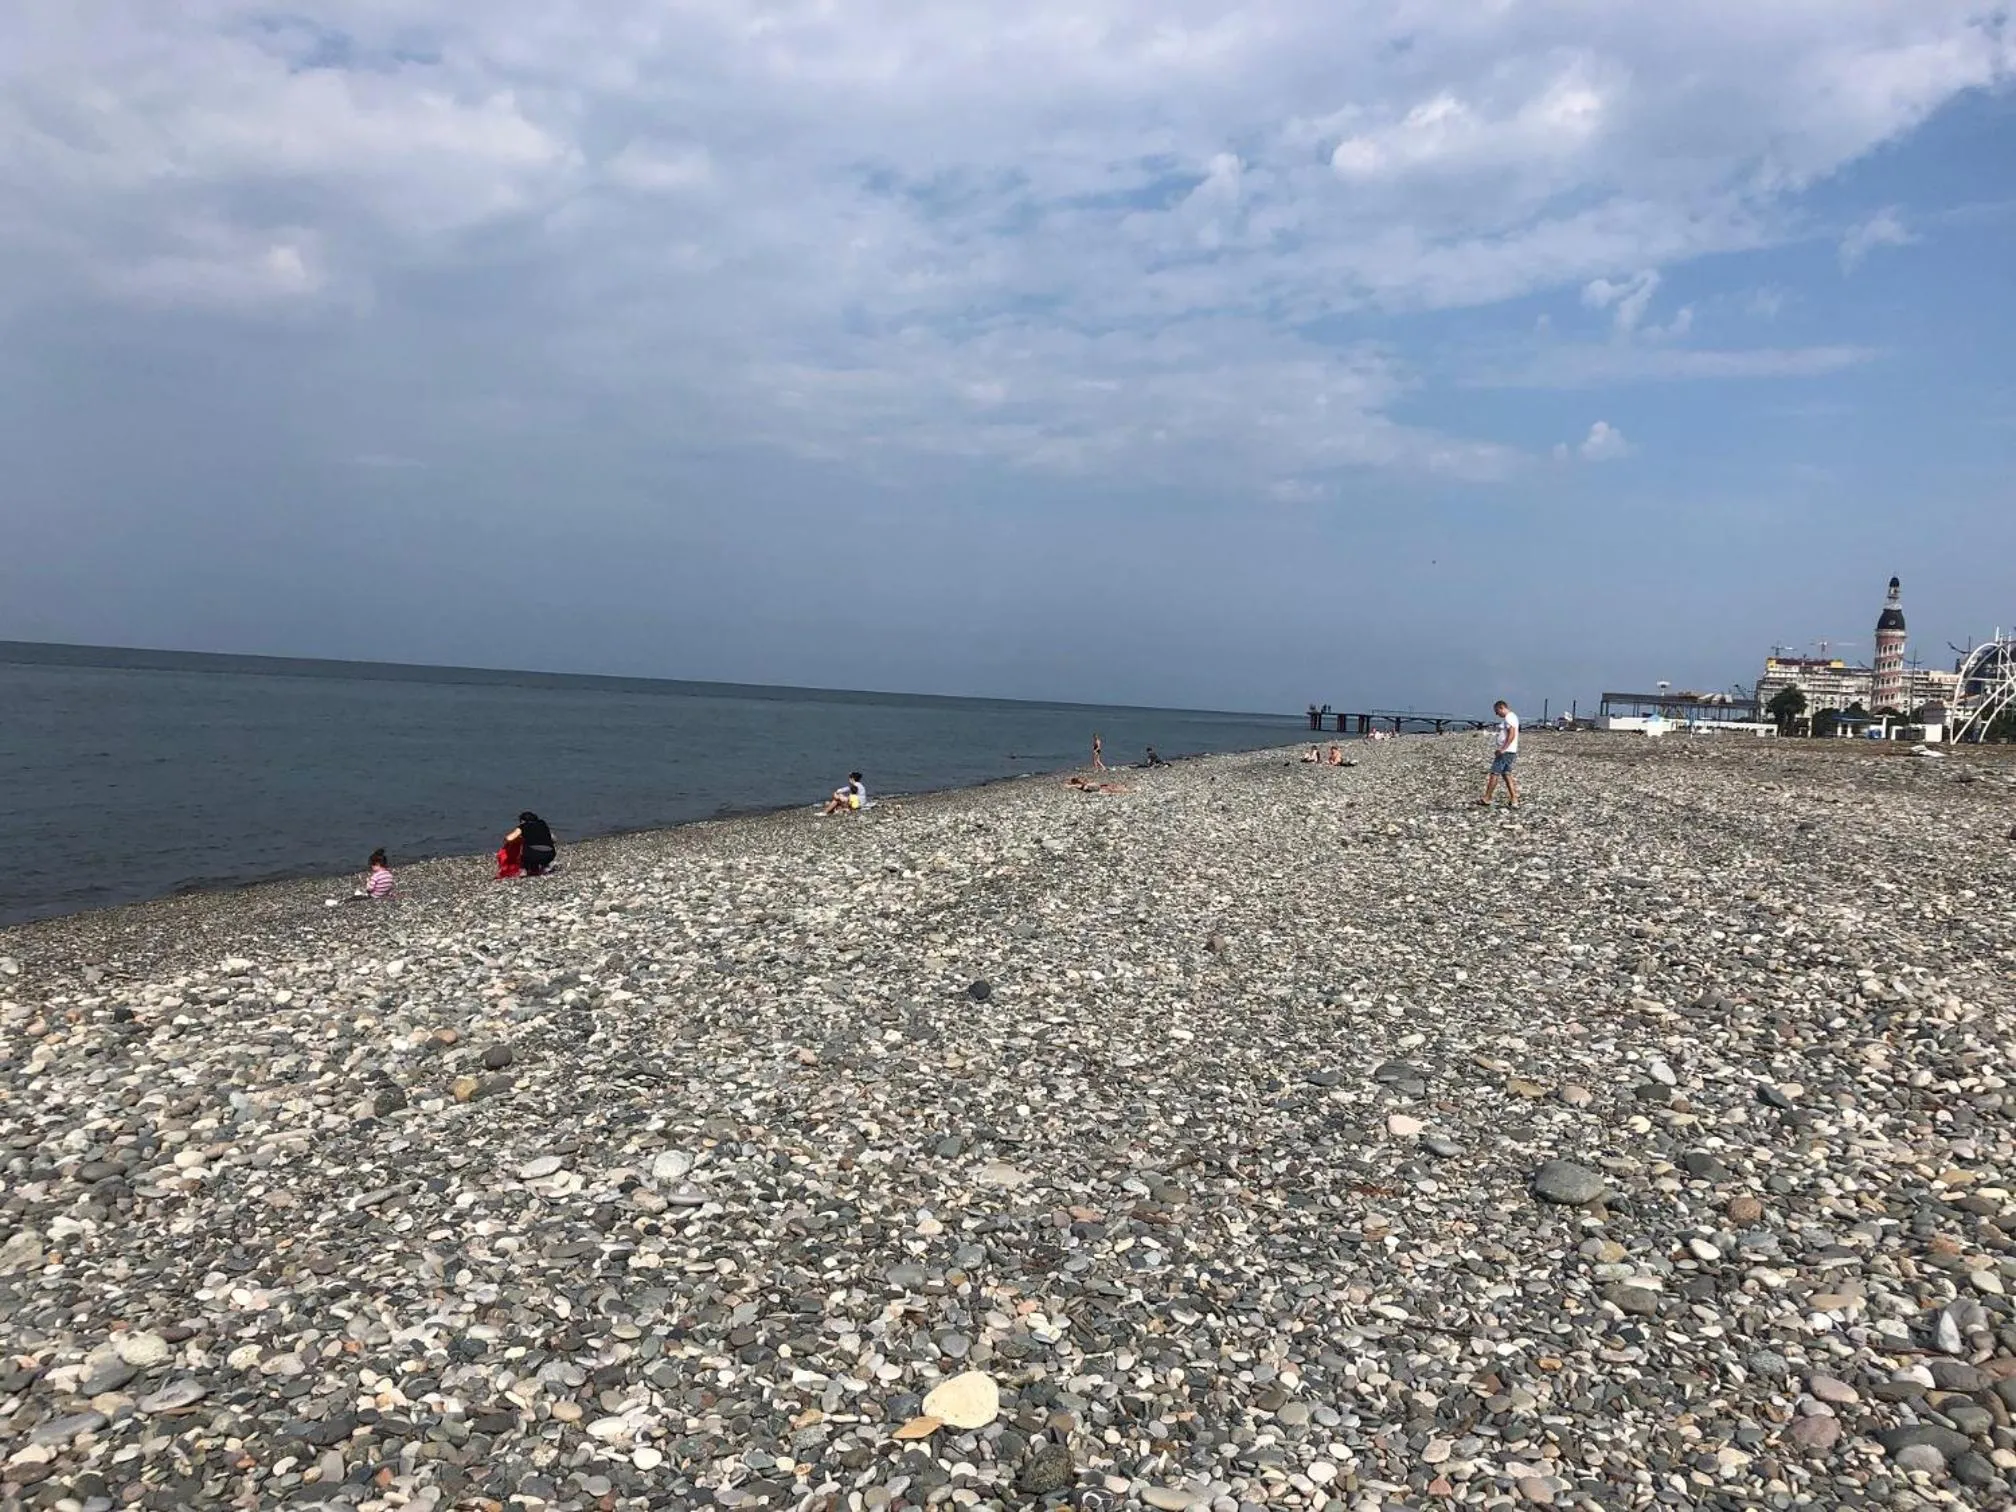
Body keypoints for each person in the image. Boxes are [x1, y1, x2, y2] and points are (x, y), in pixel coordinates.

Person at [1481, 701, 1520, 809]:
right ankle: (1514, 798)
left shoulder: (1509, 718)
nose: (1496, 714)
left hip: (1506, 751)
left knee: (1494, 773)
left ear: (1501, 707)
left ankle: (1487, 797)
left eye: (1497, 711)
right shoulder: (1511, 717)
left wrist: (1503, 749)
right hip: (1510, 751)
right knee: (1506, 774)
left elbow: (1512, 734)